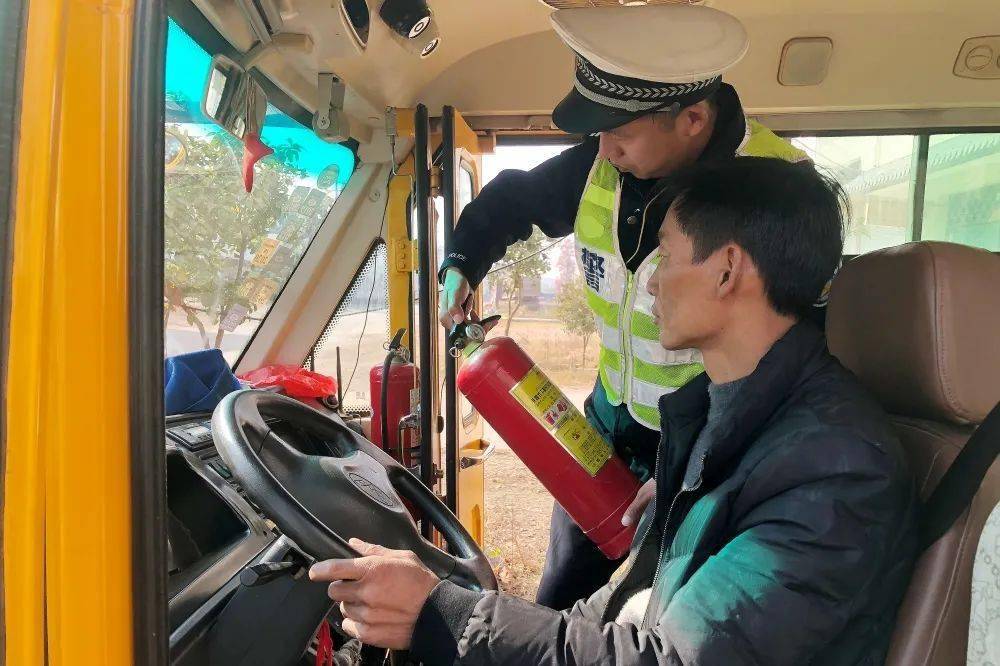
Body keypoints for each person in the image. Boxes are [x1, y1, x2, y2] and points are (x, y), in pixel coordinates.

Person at [310, 157, 918, 665]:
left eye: (667, 256)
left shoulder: (835, 471)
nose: (650, 284)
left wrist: (444, 614)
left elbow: (670, 659)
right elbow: (628, 604)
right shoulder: (728, 415)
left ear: (728, 270)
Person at [436, 4, 812, 610]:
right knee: (560, 594)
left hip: (709, 441)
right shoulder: (601, 161)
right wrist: (461, 264)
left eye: (621, 132)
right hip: (611, 423)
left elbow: (796, 352)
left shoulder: (776, 188)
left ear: (692, 119)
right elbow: (512, 201)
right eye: (597, 132)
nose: (603, 149)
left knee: (664, 610)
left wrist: (701, 463)